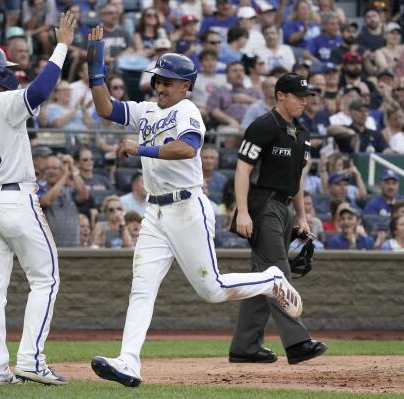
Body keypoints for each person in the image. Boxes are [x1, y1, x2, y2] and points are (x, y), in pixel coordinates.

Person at [86, 27, 303, 388]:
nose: (160, 86)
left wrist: (140, 149)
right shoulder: (146, 111)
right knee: (142, 287)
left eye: (168, 82)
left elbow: (186, 148)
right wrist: (96, 67)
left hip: (187, 208)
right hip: (155, 214)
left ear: (185, 86)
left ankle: (271, 279)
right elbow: (105, 107)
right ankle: (128, 362)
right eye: (158, 80)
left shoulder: (188, 111)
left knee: (212, 290)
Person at [0, 12, 77, 386]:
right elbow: (39, 91)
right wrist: (63, 46)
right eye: (3, 68)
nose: (10, 72)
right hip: (14, 199)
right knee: (46, 279)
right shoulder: (3, 102)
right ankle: (31, 361)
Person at [229, 73, 327, 366]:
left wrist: (302, 217)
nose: (304, 101)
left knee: (261, 280)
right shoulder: (263, 125)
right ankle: (297, 343)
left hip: (283, 208)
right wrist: (243, 212)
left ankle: (245, 346)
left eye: (306, 96)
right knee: (277, 272)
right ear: (280, 96)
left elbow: (296, 179)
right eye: (298, 96)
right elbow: (242, 170)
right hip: (262, 205)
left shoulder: (302, 133)